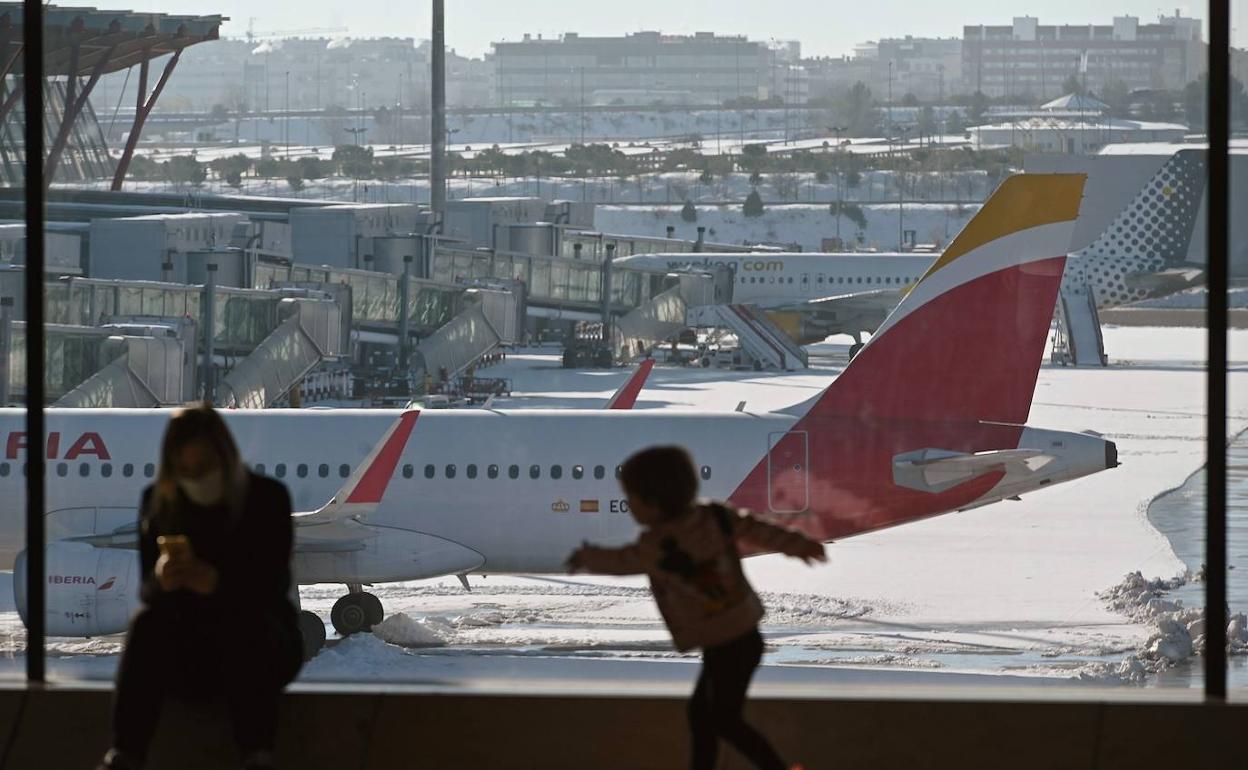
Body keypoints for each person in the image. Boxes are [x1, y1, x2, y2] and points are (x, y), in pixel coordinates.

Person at [567, 446, 826, 770]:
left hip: (726, 644)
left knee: (721, 719)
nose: (628, 506)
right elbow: (760, 530)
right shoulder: (716, 517)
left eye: (630, 497)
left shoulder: (656, 545)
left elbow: (622, 561)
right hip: (742, 637)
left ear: (652, 503)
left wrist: (586, 557)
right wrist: (799, 544)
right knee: (704, 716)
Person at [98, 405, 303, 770]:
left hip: (259, 641)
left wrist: (217, 584)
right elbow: (147, 593)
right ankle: (124, 756)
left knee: (246, 628)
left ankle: (258, 757)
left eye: (203, 467)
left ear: (225, 457)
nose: (195, 478)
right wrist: (162, 579)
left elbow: (274, 588)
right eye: (185, 469)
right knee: (146, 624)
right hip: (190, 644)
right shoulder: (159, 502)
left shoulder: (265, 499)